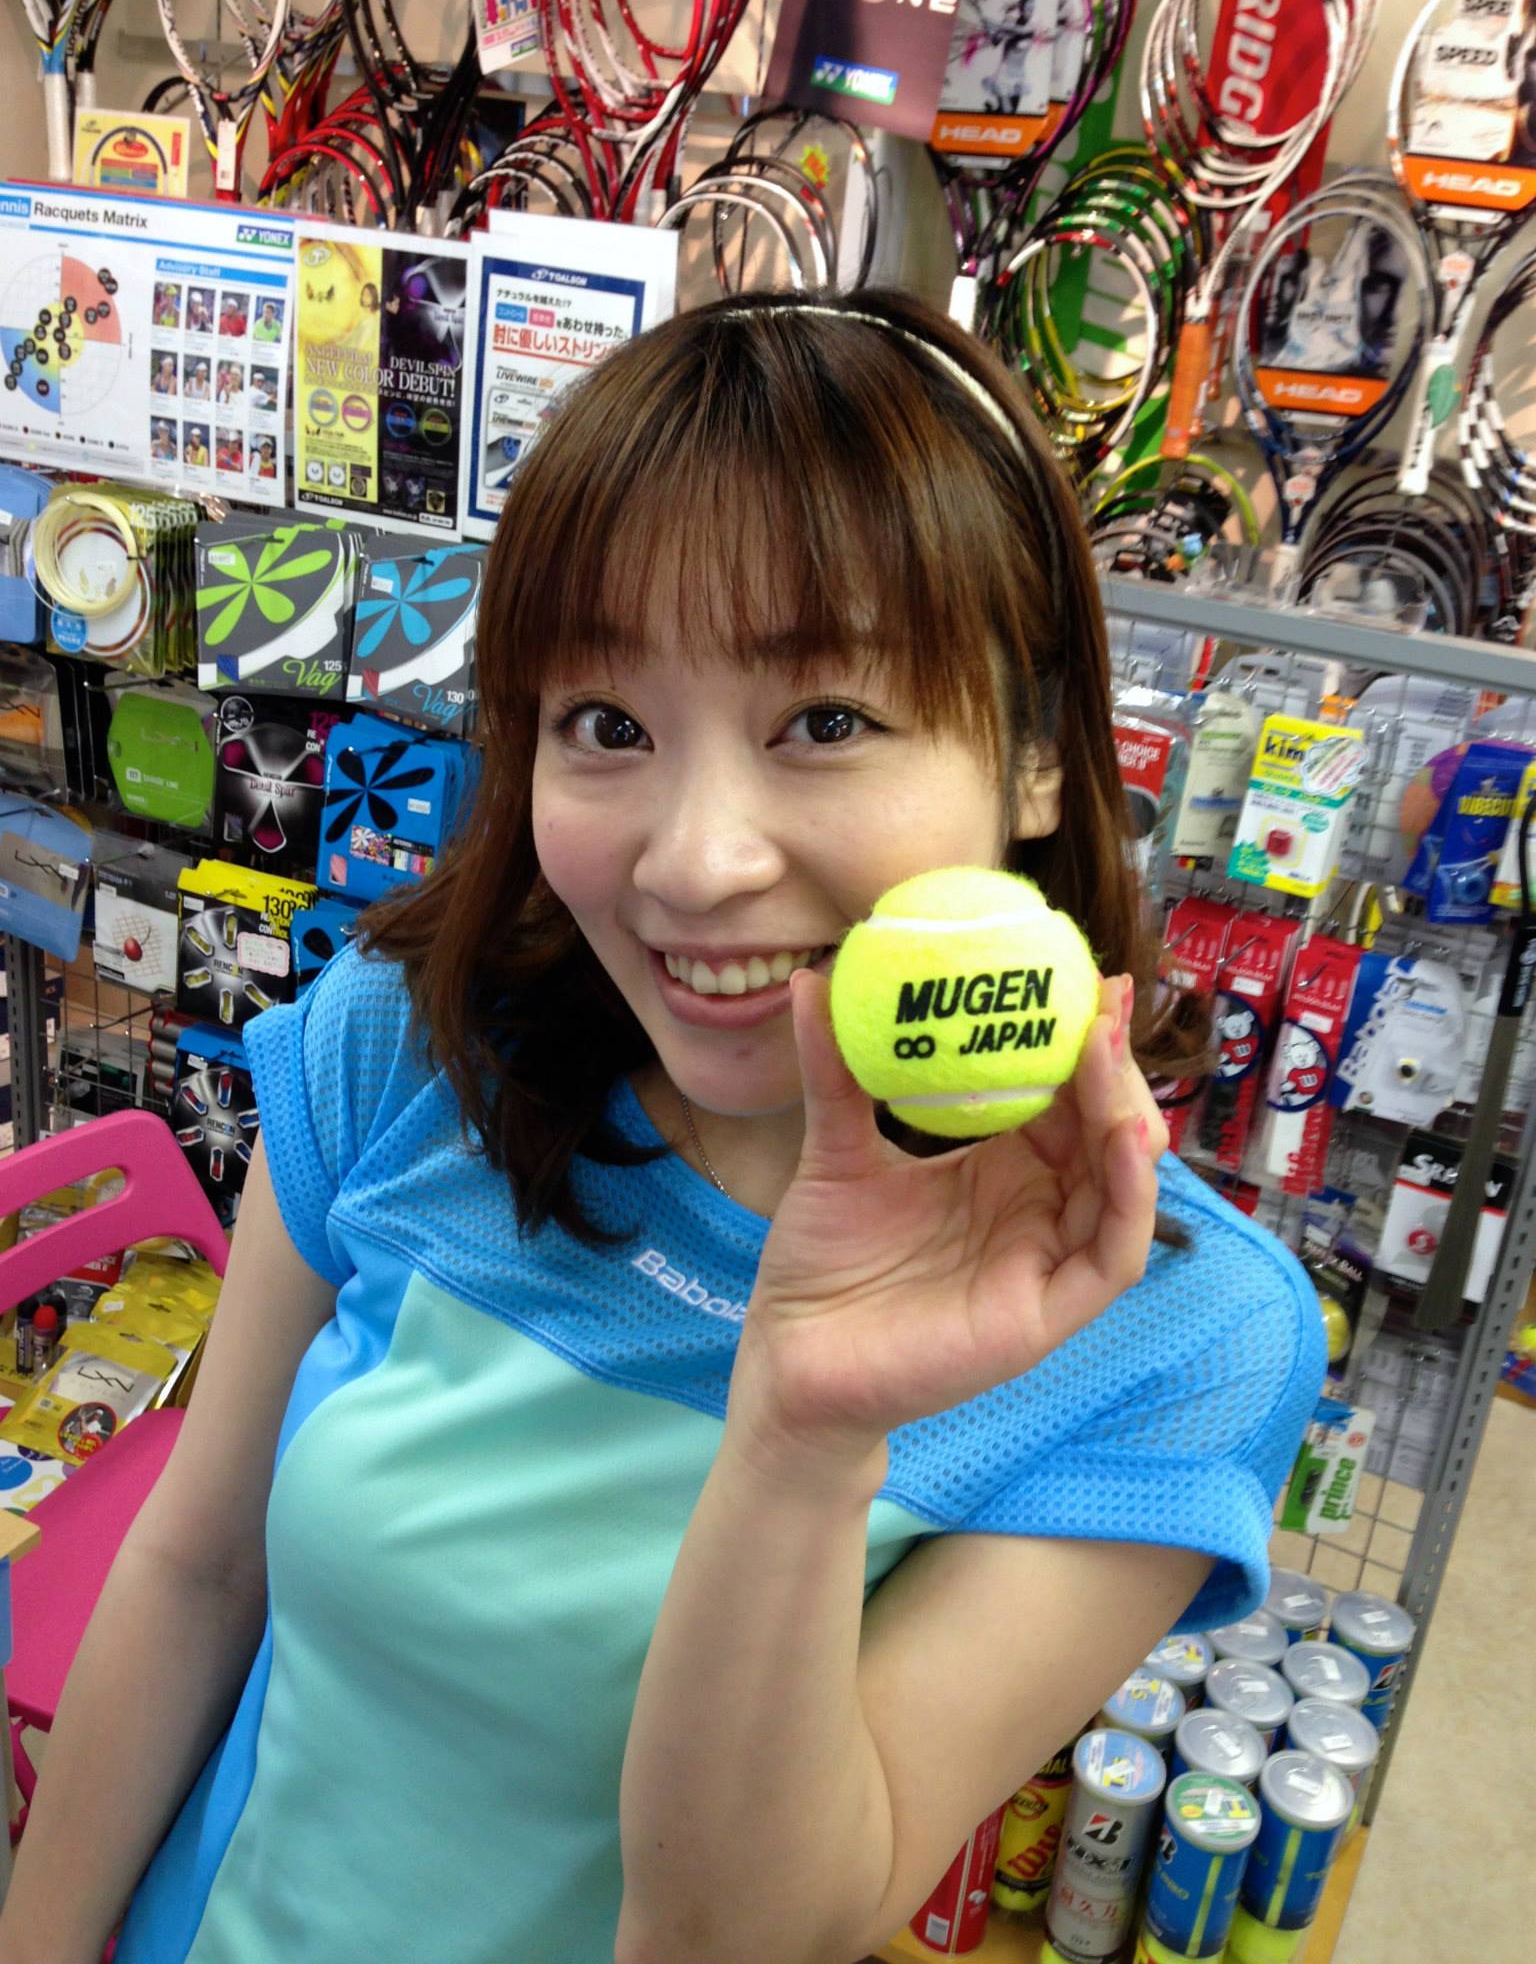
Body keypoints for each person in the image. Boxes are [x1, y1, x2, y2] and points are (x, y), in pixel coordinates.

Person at [1, 292, 1321, 1964]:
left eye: (826, 722)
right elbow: (198, 1575)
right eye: (608, 726)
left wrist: (806, 1440)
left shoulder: (1171, 1330)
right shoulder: (407, 1047)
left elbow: (744, 1931)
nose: (696, 863)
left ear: (1042, 752)